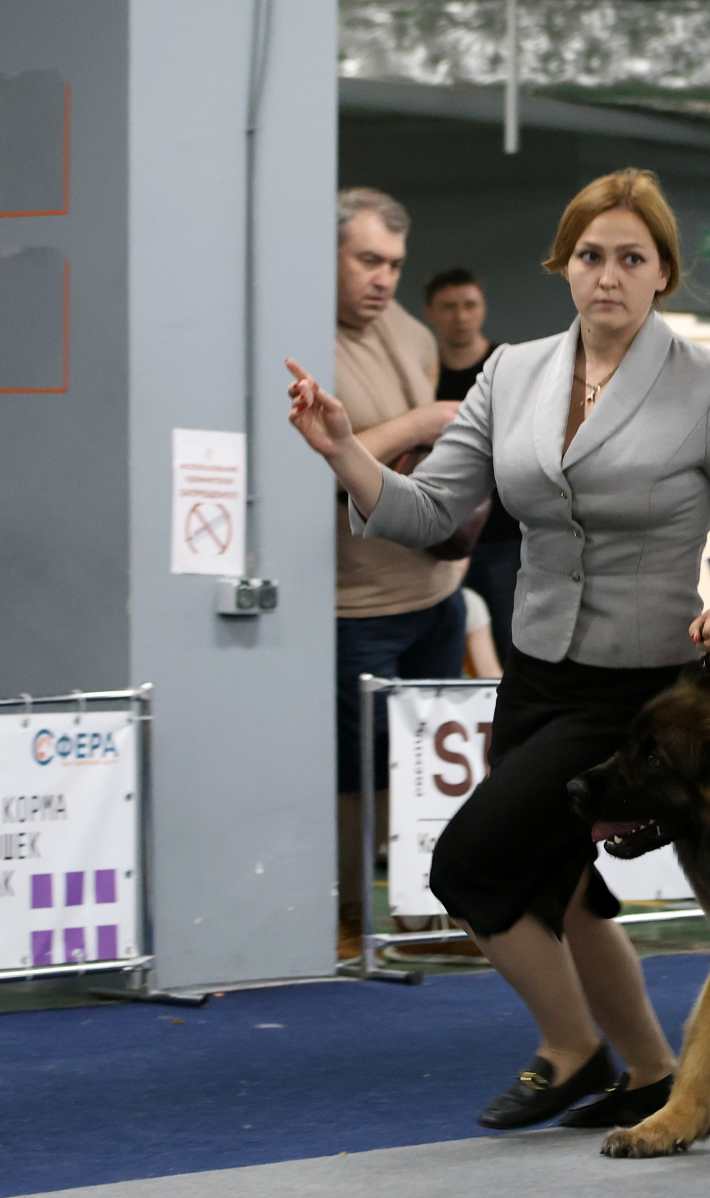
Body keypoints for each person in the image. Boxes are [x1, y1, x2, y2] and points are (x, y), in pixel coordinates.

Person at [286, 168, 710, 1133]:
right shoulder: (511, 372)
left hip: (636, 689)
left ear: (663, 273)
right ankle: (650, 1070)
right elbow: (431, 510)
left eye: (631, 258)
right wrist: (345, 453)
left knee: (469, 868)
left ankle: (570, 1050)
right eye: (589, 255)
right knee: (561, 885)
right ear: (563, 265)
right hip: (534, 674)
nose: (608, 275)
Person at [329, 188, 468, 946]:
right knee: (355, 773)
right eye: (367, 260)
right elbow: (315, 460)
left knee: (427, 768)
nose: (383, 278)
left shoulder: (412, 336)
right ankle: (349, 915)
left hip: (436, 594)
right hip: (357, 605)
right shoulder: (302, 339)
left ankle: (426, 909)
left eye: (393, 264)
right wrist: (419, 423)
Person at [425, 267, 521, 668]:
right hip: (438, 539)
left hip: (502, 536)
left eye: (469, 305)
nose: (460, 316)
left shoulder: (507, 368)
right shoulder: (423, 375)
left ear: (482, 308)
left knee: (509, 646)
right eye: (449, 307)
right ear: (430, 313)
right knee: (439, 643)